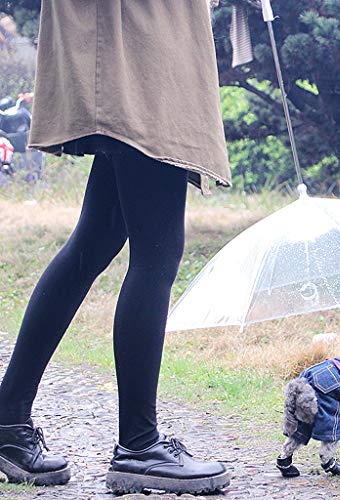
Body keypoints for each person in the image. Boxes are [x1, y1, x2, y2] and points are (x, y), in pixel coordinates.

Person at [0, 0, 231, 495]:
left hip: (136, 36)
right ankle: (139, 447)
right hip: (138, 42)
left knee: (98, 238)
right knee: (158, 251)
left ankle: (7, 423)